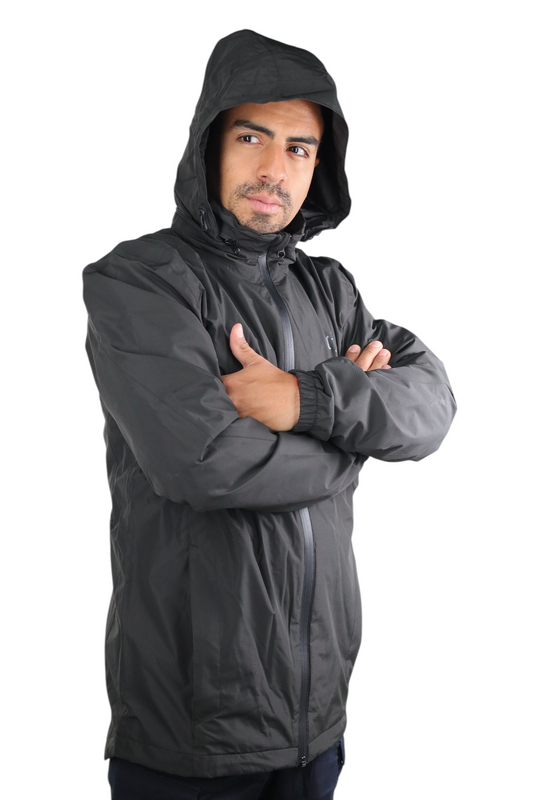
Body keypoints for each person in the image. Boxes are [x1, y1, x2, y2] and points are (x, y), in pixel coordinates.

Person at [83, 29, 456, 800]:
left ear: (319, 166)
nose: (273, 168)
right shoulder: (141, 282)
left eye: (298, 148)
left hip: (317, 721)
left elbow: (428, 406)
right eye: (251, 137)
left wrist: (304, 400)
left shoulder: (330, 291)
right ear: (208, 146)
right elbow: (205, 464)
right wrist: (351, 438)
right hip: (191, 733)